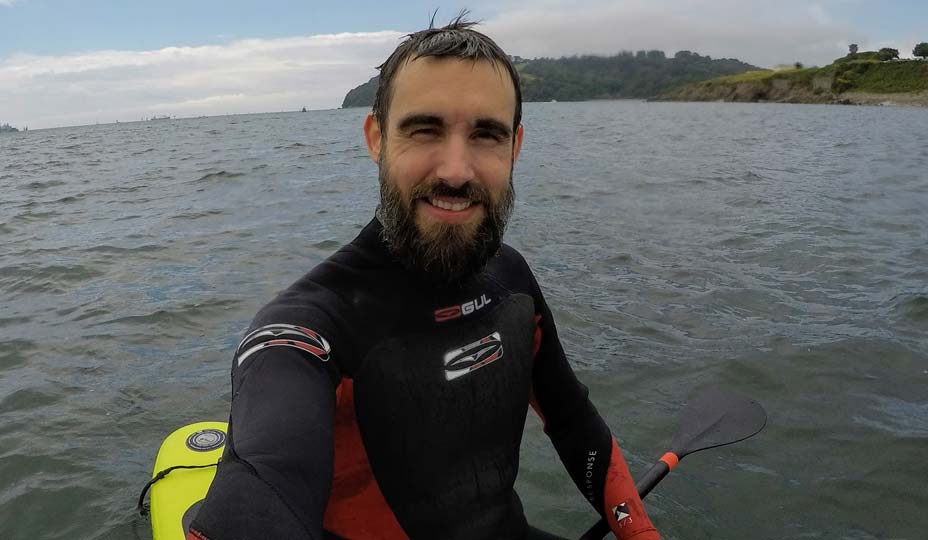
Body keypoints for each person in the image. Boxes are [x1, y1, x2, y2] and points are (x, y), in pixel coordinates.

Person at [190, 16, 660, 540]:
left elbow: (573, 421)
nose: (456, 170)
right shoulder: (307, 327)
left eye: (486, 134)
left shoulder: (511, 278)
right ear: (376, 139)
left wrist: (639, 533)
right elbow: (265, 486)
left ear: (515, 148)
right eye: (425, 130)